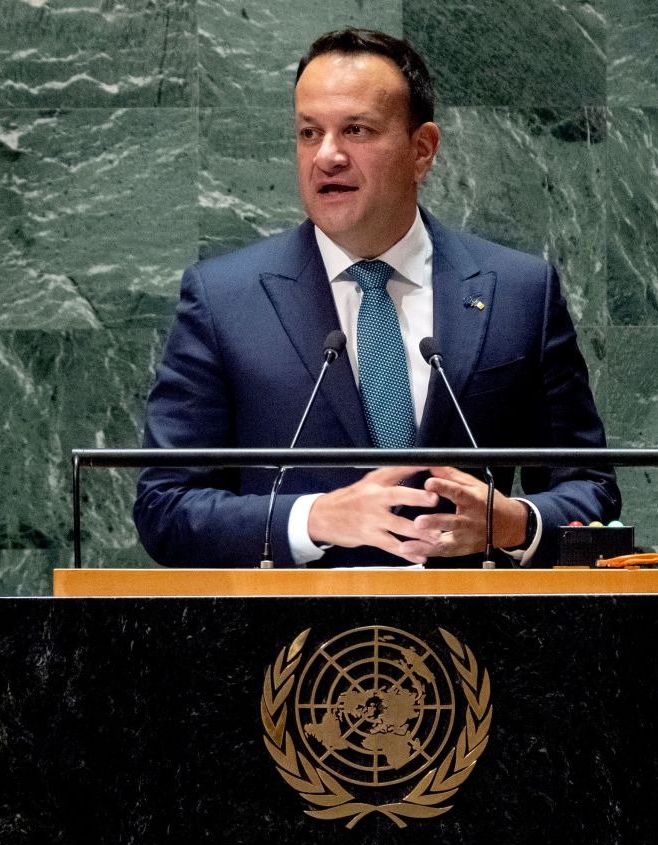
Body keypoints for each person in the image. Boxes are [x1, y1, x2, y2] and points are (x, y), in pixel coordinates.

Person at [134, 28, 619, 568]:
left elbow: (590, 490)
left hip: (482, 637)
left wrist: (514, 524)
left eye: (357, 130)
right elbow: (165, 507)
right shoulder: (224, 299)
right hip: (291, 641)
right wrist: (312, 517)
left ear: (422, 150)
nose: (328, 156)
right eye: (309, 132)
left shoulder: (519, 291)